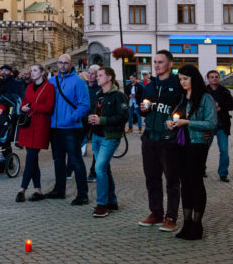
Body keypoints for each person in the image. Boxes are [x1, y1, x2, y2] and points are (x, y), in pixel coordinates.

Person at [169, 65, 217, 240]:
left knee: (195, 182)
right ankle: (187, 222)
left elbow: (211, 123)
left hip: (197, 144)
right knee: (185, 183)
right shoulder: (182, 97)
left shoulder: (205, 98)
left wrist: (187, 123)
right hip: (181, 143)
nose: (182, 82)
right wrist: (171, 122)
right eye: (180, 79)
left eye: (185, 79)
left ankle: (197, 225)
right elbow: (174, 115)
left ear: (194, 79)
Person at [138, 50, 183, 232]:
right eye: (154, 62)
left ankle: (171, 217)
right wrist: (143, 109)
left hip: (168, 139)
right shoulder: (150, 84)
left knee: (172, 180)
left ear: (170, 64)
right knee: (151, 178)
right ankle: (156, 213)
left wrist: (177, 121)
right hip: (149, 137)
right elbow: (144, 109)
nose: (156, 65)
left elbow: (185, 107)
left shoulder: (178, 84)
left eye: (160, 62)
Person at [46, 54, 90, 205]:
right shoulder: (51, 81)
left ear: (71, 65)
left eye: (66, 63)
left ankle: (82, 194)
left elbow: (84, 104)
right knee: (58, 160)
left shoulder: (78, 81)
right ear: (57, 64)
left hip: (72, 127)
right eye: (60, 63)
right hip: (55, 127)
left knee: (76, 161)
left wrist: (71, 117)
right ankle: (59, 190)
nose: (63, 65)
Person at [88, 67, 128, 217]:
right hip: (97, 136)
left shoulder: (118, 95)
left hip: (110, 137)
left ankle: (102, 204)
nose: (96, 78)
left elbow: (123, 117)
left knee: (99, 169)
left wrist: (101, 120)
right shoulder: (99, 95)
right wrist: (92, 118)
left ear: (109, 77)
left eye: (100, 75)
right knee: (105, 169)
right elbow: (96, 113)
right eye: (96, 75)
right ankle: (112, 201)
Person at [16, 63, 54, 203]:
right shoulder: (30, 87)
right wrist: (23, 107)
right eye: (31, 70)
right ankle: (38, 190)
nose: (32, 73)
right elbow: (24, 102)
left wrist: (33, 106)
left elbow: (49, 107)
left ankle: (22, 189)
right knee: (33, 160)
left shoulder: (49, 87)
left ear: (42, 72)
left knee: (30, 159)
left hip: (40, 127)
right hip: (28, 126)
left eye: (35, 70)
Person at [206, 70, 232, 182]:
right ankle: (201, 169)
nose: (214, 79)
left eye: (216, 77)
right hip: (208, 125)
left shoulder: (225, 91)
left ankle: (223, 174)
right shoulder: (204, 91)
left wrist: (220, 106)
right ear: (208, 79)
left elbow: (232, 105)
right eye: (212, 77)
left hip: (222, 125)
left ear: (219, 78)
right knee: (203, 149)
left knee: (224, 150)